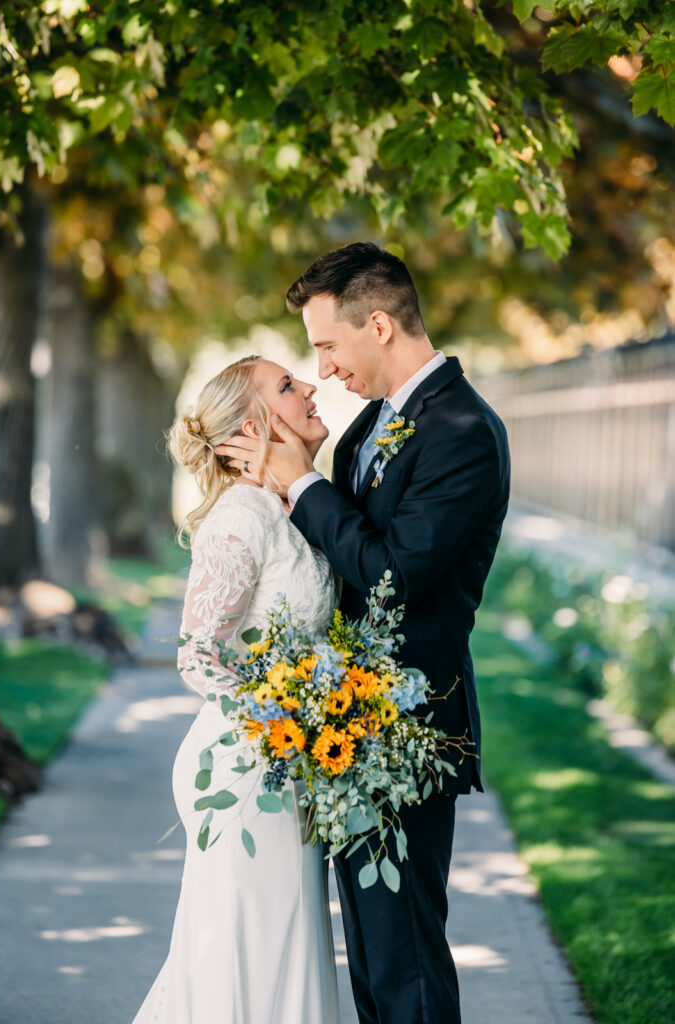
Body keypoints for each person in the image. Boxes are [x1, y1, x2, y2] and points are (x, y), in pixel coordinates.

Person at [217, 242, 511, 1024]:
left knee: (405, 961)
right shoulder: (376, 424)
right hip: (347, 728)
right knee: (376, 965)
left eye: (326, 347)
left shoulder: (460, 431)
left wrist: (301, 485)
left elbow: (392, 577)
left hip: (407, 730)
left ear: (376, 325)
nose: (324, 370)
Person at [132, 355, 340, 1024]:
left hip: (286, 767)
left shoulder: (286, 507)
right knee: (244, 949)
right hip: (246, 772)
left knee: (283, 945)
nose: (308, 386)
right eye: (287, 386)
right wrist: (277, 724)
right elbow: (198, 655)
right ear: (250, 428)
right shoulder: (240, 517)